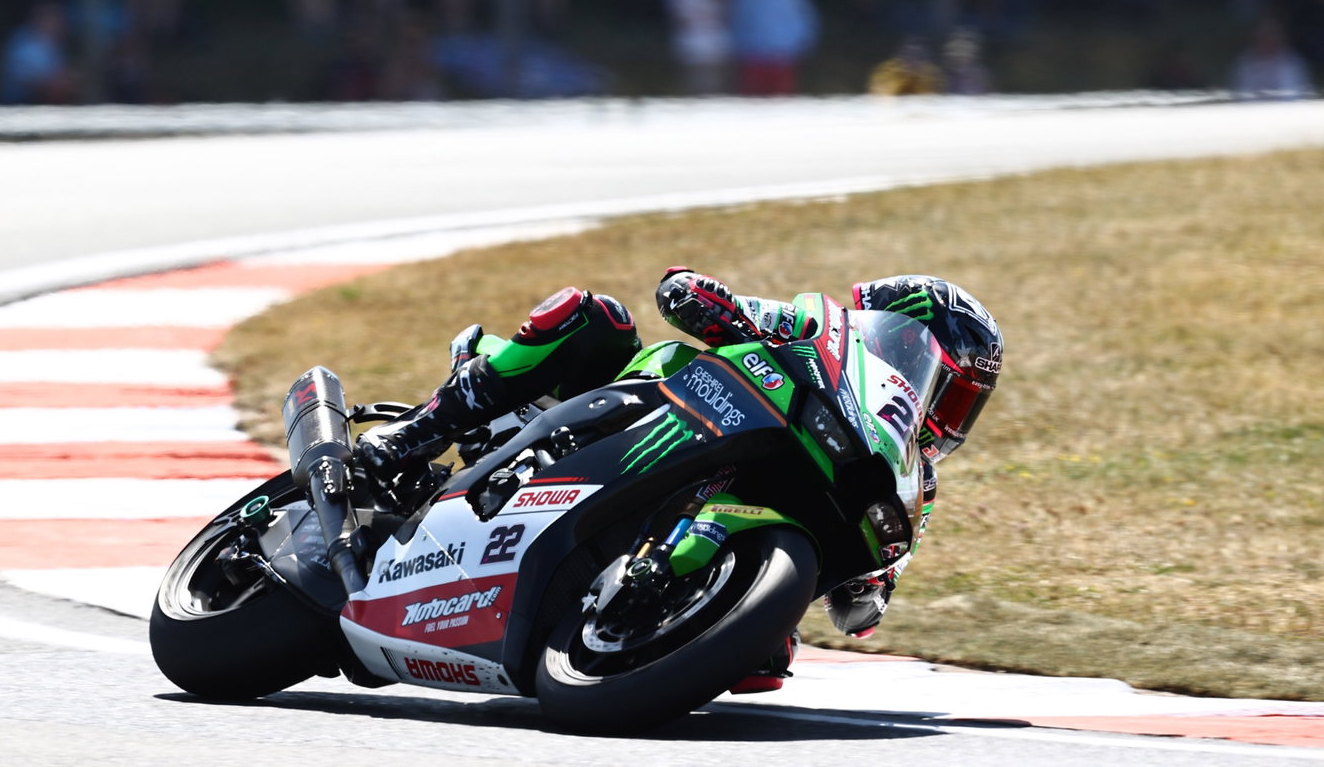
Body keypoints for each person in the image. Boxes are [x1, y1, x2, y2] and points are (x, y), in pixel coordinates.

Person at [356, 267, 1004, 693]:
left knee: (766, 663)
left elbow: (859, 608)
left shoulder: (908, 480)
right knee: (589, 314)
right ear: (909, 349)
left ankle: (640, 618)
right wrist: (710, 301)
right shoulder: (818, 332)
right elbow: (683, 292)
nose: (946, 416)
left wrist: (864, 585)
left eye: (961, 406)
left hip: (737, 519)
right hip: (656, 404)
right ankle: (415, 434)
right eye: (949, 392)